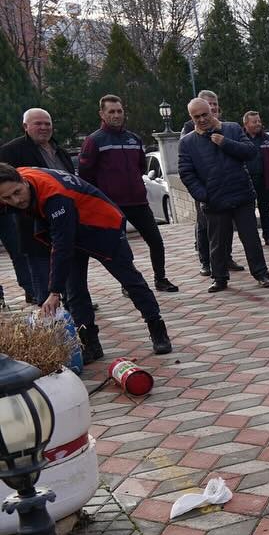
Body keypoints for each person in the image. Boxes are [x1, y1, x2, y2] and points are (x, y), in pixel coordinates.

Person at [0, 165, 171, 359]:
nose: (16, 200)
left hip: (103, 226)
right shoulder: (15, 176)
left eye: (17, 192)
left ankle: (157, 330)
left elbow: (62, 246)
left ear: (23, 181)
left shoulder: (54, 196)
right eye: (7, 198)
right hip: (72, 230)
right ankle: (90, 344)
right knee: (75, 292)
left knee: (131, 281)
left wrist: (54, 291)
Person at [78, 96, 179, 292]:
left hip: (138, 202)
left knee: (156, 241)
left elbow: (140, 167)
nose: (116, 115)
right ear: (102, 114)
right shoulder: (94, 141)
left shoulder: (134, 139)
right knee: (121, 248)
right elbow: (85, 175)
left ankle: (161, 278)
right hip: (111, 205)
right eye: (111, 112)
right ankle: (128, 283)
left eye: (119, 111)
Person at [178, 98, 269, 293]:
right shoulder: (187, 142)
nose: (202, 119)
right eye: (197, 117)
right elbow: (186, 173)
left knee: (251, 238)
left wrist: (225, 143)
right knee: (217, 242)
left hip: (241, 195)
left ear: (212, 111)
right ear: (191, 117)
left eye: (205, 114)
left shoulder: (232, 129)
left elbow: (250, 152)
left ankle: (261, 274)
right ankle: (219, 278)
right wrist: (203, 195)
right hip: (214, 200)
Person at [0, 108, 69, 302]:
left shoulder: (59, 151)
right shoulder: (11, 151)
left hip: (61, 221)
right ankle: (42, 303)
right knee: (39, 270)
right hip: (31, 225)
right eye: (38, 123)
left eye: (47, 123)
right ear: (25, 126)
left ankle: (71, 301)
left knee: (66, 268)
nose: (44, 127)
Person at [239, 111, 269, 248]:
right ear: (246, 124)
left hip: (265, 180)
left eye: (259, 121)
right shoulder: (239, 139)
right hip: (246, 181)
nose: (258, 124)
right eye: (254, 122)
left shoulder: (267, 139)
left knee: (265, 210)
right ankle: (252, 239)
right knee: (248, 212)